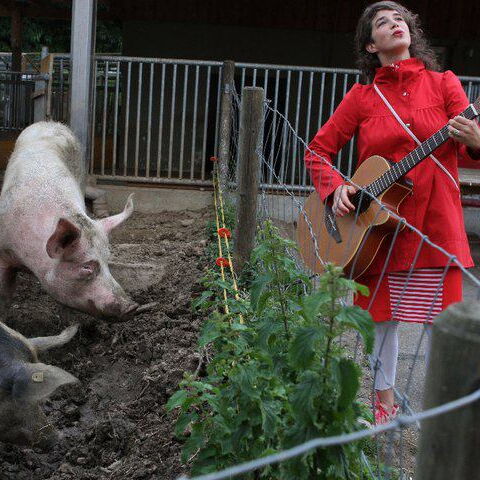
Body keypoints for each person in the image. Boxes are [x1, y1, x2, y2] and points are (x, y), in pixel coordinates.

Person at [304, 1, 480, 424]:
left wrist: (476, 138)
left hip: (437, 223)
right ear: (371, 44)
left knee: (446, 327)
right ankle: (384, 408)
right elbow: (318, 151)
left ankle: (444, 416)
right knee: (380, 322)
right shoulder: (362, 97)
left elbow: (469, 154)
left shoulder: (444, 85)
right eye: (383, 22)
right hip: (377, 230)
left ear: (411, 31)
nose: (395, 24)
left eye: (400, 19)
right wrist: (335, 189)